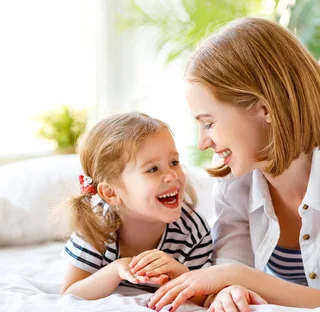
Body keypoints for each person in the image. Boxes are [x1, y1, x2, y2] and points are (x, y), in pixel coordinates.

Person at [146, 8, 320, 312]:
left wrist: (238, 278)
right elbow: (229, 268)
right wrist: (229, 288)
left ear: (265, 108)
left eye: (208, 123)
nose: (202, 143)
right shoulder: (235, 180)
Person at [60, 112, 214, 300]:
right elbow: (70, 293)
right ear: (111, 193)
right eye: (152, 169)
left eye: (174, 162)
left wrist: (180, 273)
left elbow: (205, 298)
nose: (172, 176)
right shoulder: (96, 225)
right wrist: (116, 270)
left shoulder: (192, 230)